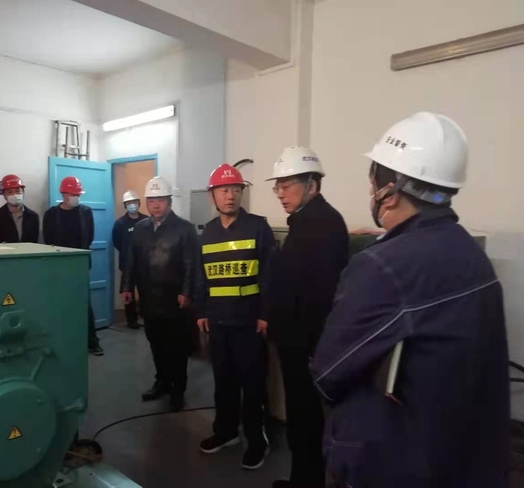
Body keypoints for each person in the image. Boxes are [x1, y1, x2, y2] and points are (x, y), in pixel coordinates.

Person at [312, 112, 510, 488]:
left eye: (372, 180)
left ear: (388, 190)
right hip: (461, 457)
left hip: (394, 460)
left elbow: (327, 373)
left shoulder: (381, 265)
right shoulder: (472, 254)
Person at [267, 147, 349, 488]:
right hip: (296, 343)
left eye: (287, 186)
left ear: (312, 185)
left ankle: (307, 481)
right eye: (278, 186)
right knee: (302, 417)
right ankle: (302, 478)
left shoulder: (322, 224)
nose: (280, 193)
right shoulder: (305, 222)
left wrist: (315, 348)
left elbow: (322, 294)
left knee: (306, 418)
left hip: (307, 347)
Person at [195, 164, 276, 470]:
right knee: (223, 382)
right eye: (224, 190)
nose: (230, 196)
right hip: (218, 323)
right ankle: (226, 431)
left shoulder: (258, 228)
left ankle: (257, 441)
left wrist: (265, 314)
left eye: (235, 190)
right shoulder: (207, 232)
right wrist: (202, 311)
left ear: (242, 193)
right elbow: (202, 276)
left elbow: (270, 274)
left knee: (252, 385)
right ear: (212, 196)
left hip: (249, 323)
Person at [121, 176, 198, 412]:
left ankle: (178, 390)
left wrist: (186, 292)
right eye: (152, 200)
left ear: (169, 201)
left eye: (161, 200)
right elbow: (131, 260)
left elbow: (191, 264)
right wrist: (127, 287)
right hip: (149, 298)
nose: (156, 205)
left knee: (176, 347)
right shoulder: (140, 228)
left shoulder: (184, 228)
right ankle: (162, 382)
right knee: (156, 344)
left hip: (175, 300)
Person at [44, 176, 104, 357]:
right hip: (59, 265)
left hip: (80, 264)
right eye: (72, 194)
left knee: (85, 304)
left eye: (78, 194)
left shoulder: (86, 212)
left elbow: (89, 237)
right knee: (60, 303)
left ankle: (92, 341)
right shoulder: (52, 214)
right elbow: (48, 240)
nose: (75, 197)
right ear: (63, 194)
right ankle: (63, 340)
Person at [112, 190, 147, 329]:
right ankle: (131, 320)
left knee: (146, 292)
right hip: (127, 264)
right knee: (128, 292)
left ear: (139, 203)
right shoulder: (120, 223)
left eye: (134, 202)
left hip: (144, 264)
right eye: (129, 203)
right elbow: (117, 242)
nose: (132, 205)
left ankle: (146, 317)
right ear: (125, 205)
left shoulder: (146, 220)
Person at [0, 174, 39, 244]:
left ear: (23, 192)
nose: (15, 195)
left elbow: (34, 243)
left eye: (18, 191)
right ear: (4, 195)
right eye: (10, 192)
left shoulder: (33, 216)